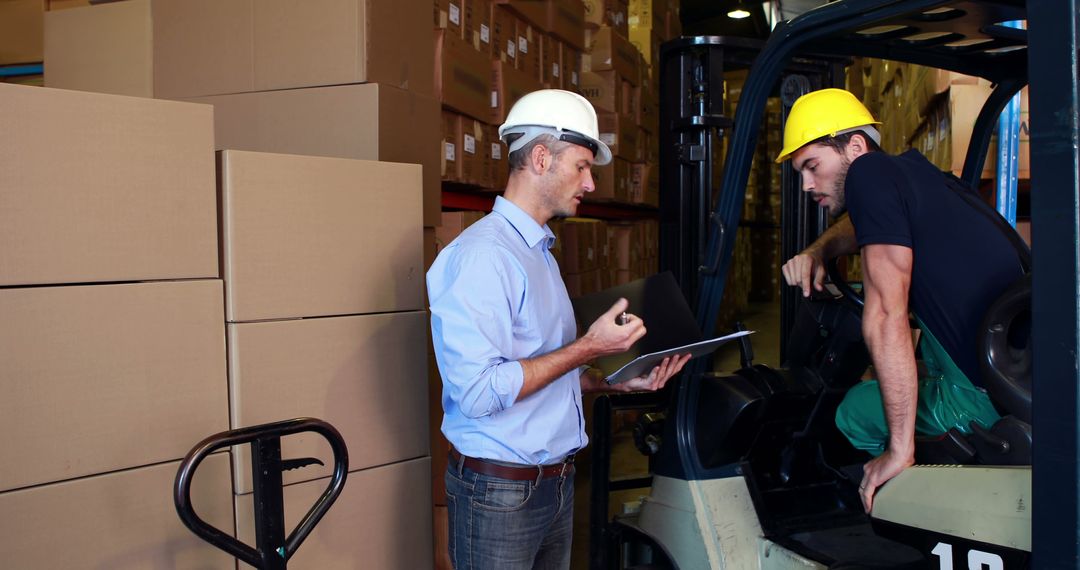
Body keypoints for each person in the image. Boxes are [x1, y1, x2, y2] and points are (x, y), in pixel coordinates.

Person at [427, 89, 690, 570]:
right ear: (542, 158)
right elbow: (481, 392)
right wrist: (590, 346)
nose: (590, 183)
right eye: (582, 166)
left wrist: (608, 379)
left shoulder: (538, 253)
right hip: (500, 494)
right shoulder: (482, 257)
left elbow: (541, 370)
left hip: (554, 484)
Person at [775, 88, 1023, 512]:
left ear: (855, 146)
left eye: (812, 166)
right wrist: (821, 250)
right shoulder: (919, 176)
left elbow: (887, 314)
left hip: (977, 397)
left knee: (852, 412)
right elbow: (864, 224)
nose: (806, 185)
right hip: (1011, 367)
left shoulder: (868, 174)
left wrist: (900, 449)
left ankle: (900, 506)